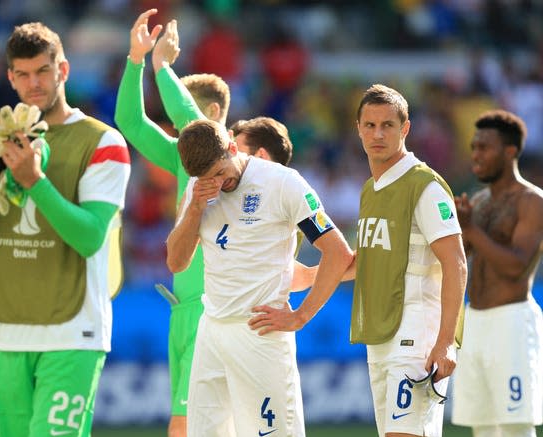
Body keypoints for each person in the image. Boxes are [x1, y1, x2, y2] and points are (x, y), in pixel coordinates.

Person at [115, 11, 315, 436]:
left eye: (182, 116)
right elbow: (131, 122)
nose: (176, 128)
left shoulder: (238, 170)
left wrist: (158, 67)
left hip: (220, 312)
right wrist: (136, 62)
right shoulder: (186, 162)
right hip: (187, 310)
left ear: (209, 113)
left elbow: (188, 118)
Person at [0, 22, 131, 437]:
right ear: (11, 78)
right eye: (24, 74)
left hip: (73, 332)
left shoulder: (103, 142)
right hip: (10, 331)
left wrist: (34, 181)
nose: (34, 84)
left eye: (43, 72)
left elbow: (88, 237)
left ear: (63, 70)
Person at [167, 119, 353, 436]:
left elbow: (337, 252)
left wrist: (301, 315)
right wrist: (196, 208)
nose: (217, 183)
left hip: (260, 332)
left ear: (233, 147)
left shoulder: (283, 183)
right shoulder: (197, 188)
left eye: (220, 173)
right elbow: (176, 261)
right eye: (206, 178)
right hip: (211, 330)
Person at [346, 84, 467, 437]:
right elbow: (365, 262)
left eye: (387, 125)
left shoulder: (425, 185)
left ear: (405, 129)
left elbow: (456, 263)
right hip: (379, 337)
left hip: (417, 338)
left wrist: (445, 341)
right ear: (358, 129)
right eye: (369, 125)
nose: (378, 134)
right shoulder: (371, 189)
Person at [451, 109, 543, 437]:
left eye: (484, 147)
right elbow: (463, 258)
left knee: (515, 423)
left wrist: (472, 230)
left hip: (512, 323)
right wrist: (461, 232)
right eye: (474, 147)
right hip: (474, 322)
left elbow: (517, 266)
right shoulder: (480, 201)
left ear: (510, 151)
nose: (476, 154)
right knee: (484, 426)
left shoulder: (532, 201)